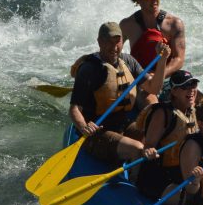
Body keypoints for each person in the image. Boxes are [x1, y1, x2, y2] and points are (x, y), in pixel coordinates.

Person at [68, 22, 164, 164]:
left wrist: (162, 60)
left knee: (155, 136)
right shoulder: (89, 69)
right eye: (108, 41)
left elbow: (153, 88)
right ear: (100, 42)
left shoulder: (128, 61)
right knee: (138, 148)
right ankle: (133, 181)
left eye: (117, 41)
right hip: (97, 133)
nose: (114, 47)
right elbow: (74, 108)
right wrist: (84, 127)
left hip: (123, 125)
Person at [135, 69, 200, 199]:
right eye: (185, 86)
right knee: (189, 200)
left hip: (181, 172)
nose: (191, 89)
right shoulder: (162, 113)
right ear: (174, 91)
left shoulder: (193, 112)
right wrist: (149, 151)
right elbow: (148, 146)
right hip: (159, 175)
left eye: (193, 85)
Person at [120, 0, 186, 77]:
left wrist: (157, 76)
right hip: (139, 79)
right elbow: (114, 52)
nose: (154, 0)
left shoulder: (175, 24)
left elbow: (179, 59)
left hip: (166, 77)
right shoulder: (127, 25)